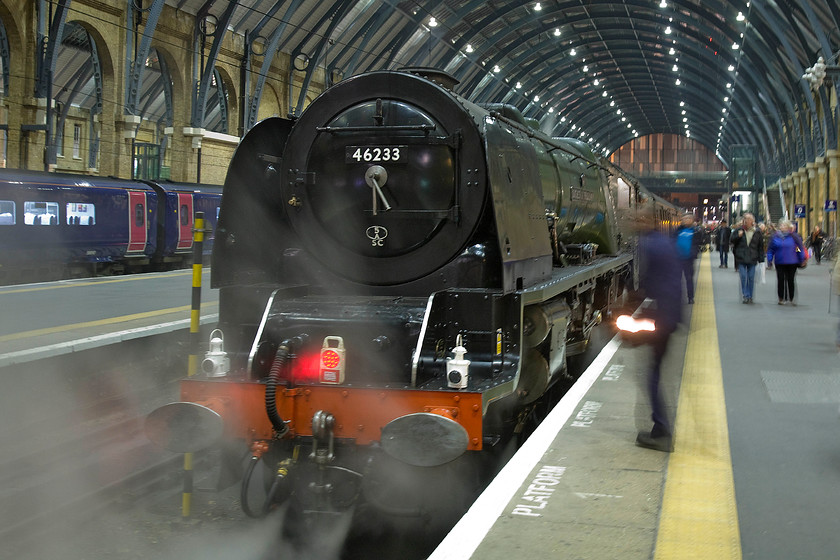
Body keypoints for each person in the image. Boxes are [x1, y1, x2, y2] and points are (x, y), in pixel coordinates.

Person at [633, 213, 682, 452]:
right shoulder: (663, 241)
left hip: (662, 316)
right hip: (669, 314)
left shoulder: (648, 244)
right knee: (654, 370)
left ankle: (661, 430)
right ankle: (660, 427)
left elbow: (646, 283)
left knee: (651, 373)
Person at [765, 219, 806, 305]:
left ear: (788, 227)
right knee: (781, 280)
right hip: (779, 262)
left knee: (790, 280)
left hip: (792, 262)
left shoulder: (794, 237)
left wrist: (801, 259)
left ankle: (791, 298)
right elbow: (771, 249)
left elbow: (799, 249)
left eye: (785, 226)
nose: (783, 227)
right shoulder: (775, 237)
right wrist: (769, 259)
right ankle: (781, 298)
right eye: (781, 226)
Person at [730, 212, 765, 304]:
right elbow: (732, 240)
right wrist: (738, 236)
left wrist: (761, 260)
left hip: (753, 258)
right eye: (745, 219)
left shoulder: (757, 232)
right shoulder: (739, 230)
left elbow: (760, 247)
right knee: (743, 276)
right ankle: (745, 295)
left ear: (753, 221)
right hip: (741, 258)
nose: (747, 221)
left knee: (751, 277)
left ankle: (750, 295)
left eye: (749, 219)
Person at [674, 213, 700, 303]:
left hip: (689, 259)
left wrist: (694, 253)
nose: (685, 220)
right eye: (683, 219)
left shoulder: (695, 231)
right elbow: (672, 240)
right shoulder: (678, 230)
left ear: (692, 220)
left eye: (687, 219)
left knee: (689, 279)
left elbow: (698, 242)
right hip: (678, 259)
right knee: (677, 279)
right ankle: (677, 296)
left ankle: (690, 297)